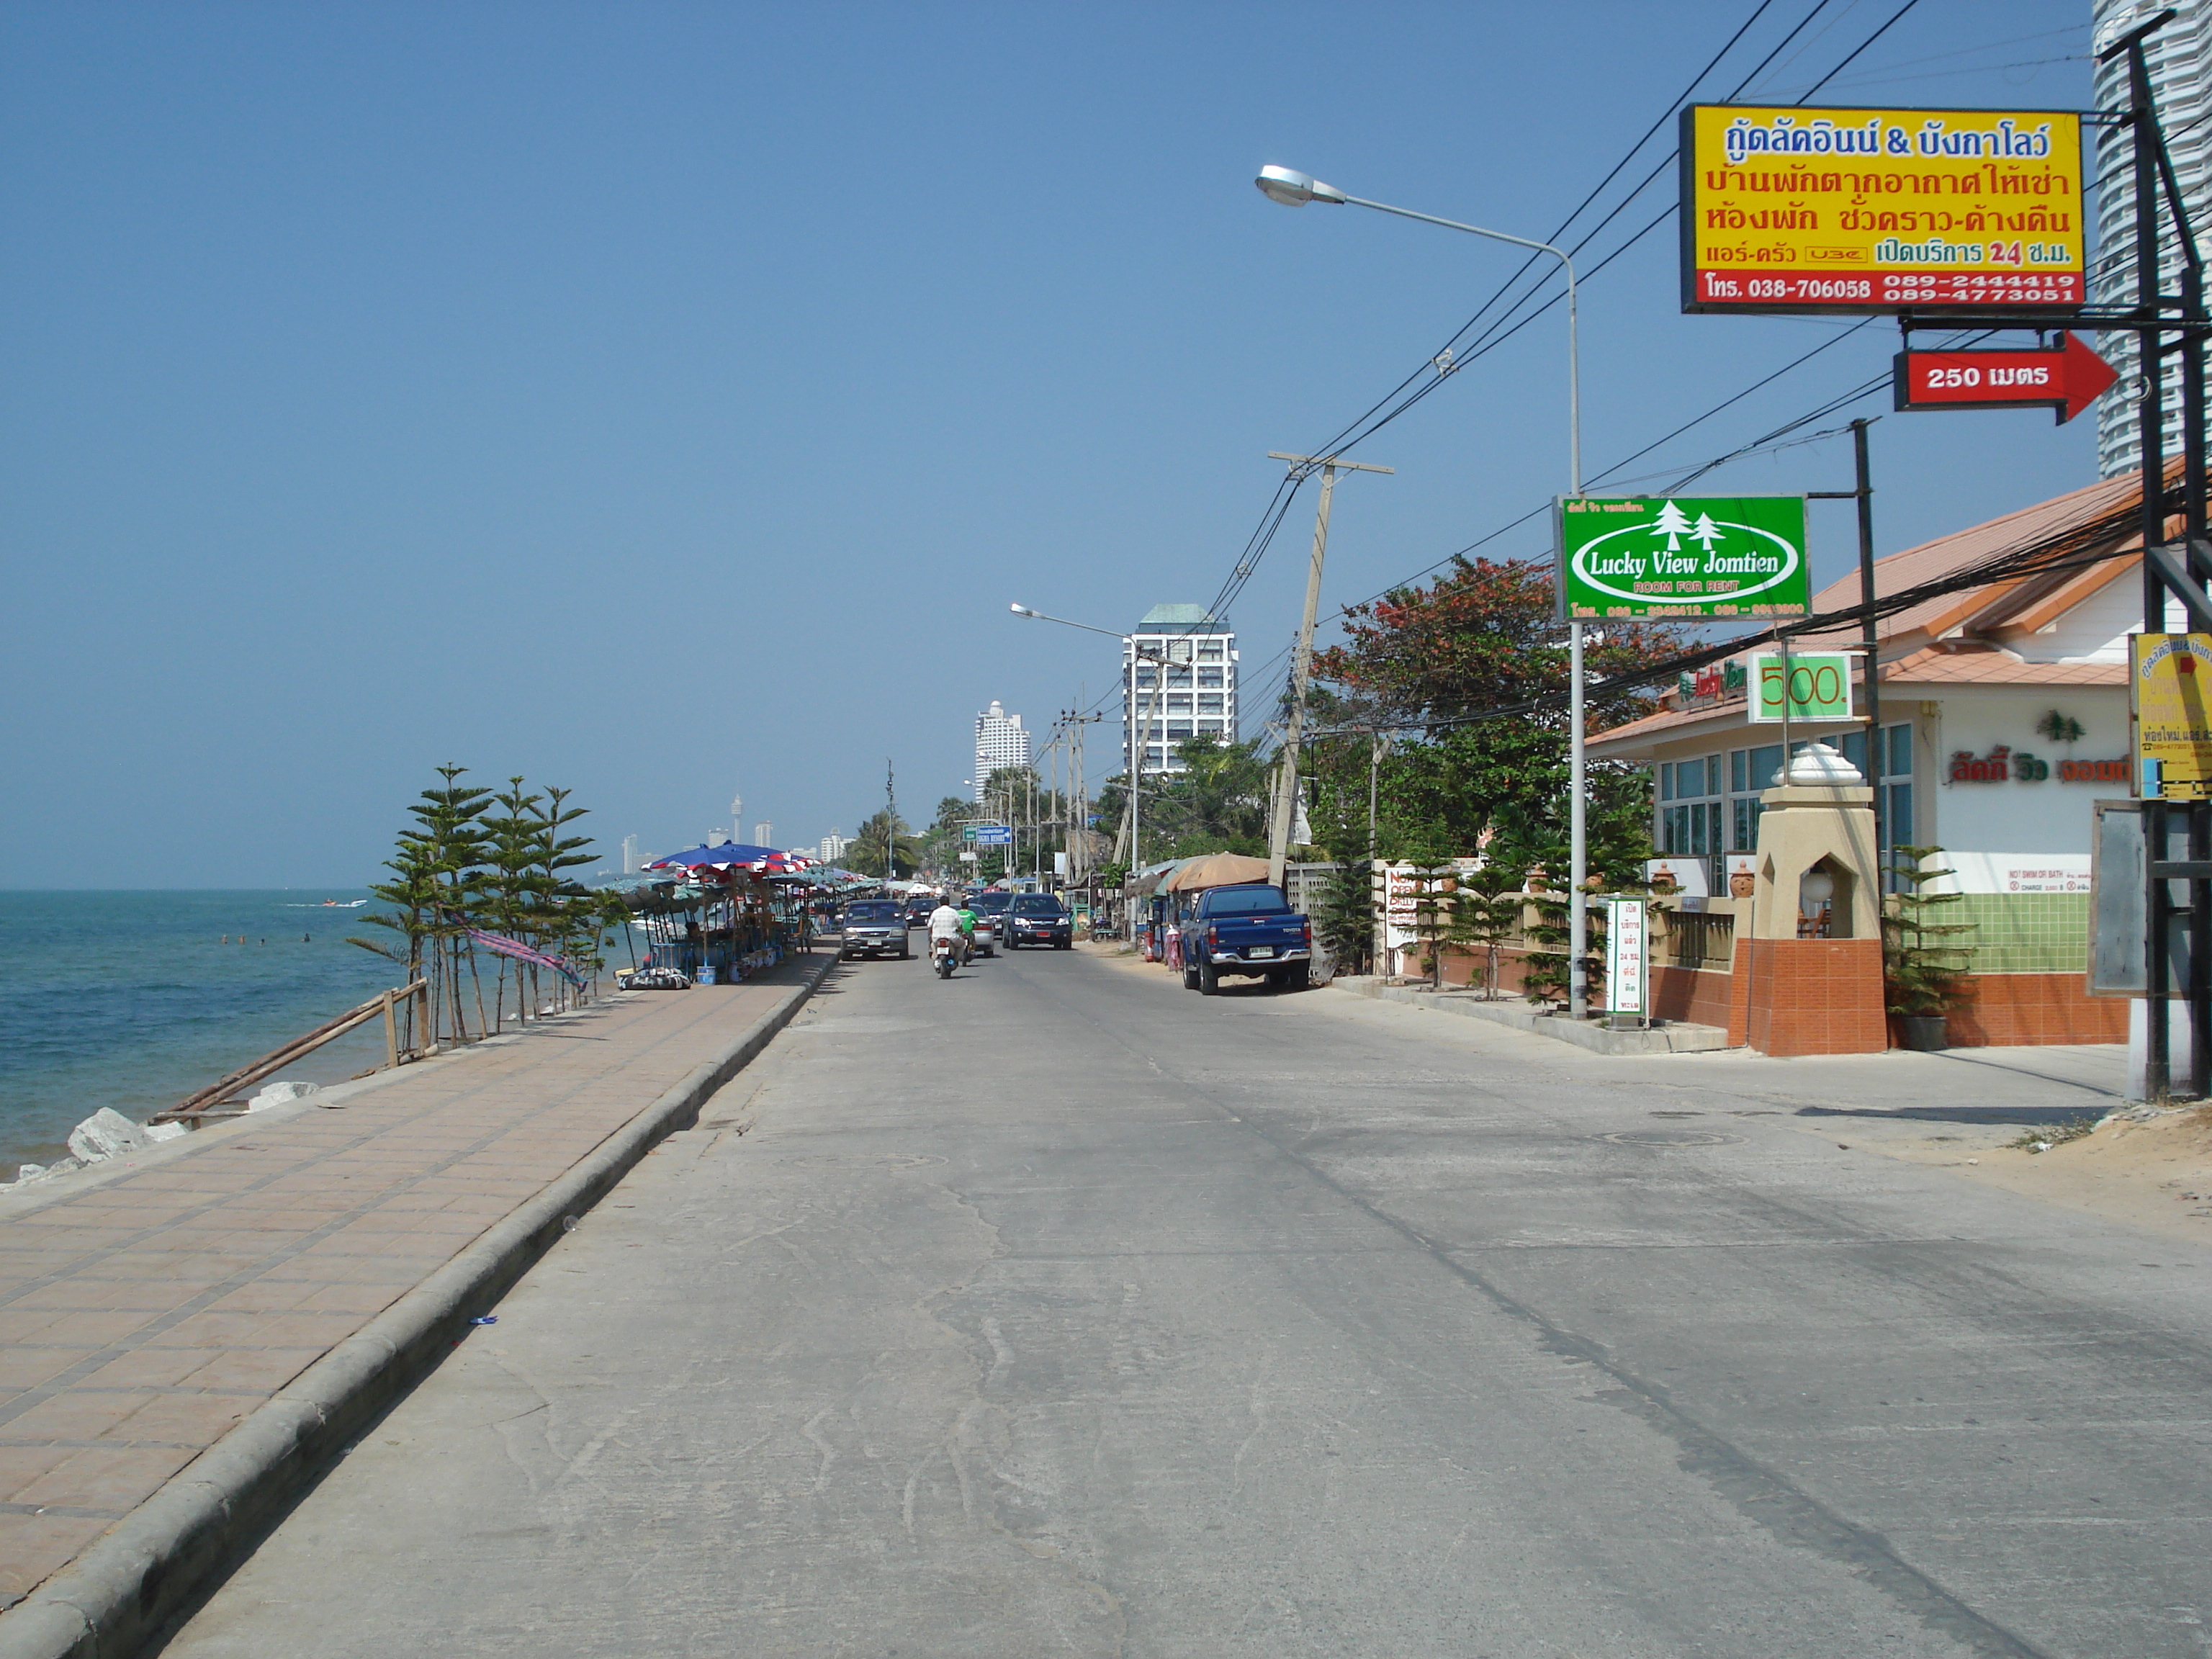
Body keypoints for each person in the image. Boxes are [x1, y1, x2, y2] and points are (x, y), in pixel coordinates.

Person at [926, 896, 966, 966]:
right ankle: (956, 960)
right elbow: (959, 925)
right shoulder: (954, 912)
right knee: (963, 944)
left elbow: (929, 926)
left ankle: (936, 959)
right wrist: (960, 930)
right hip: (952, 938)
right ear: (949, 903)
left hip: (936, 938)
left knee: (932, 944)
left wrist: (931, 935)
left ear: (940, 903)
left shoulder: (935, 912)